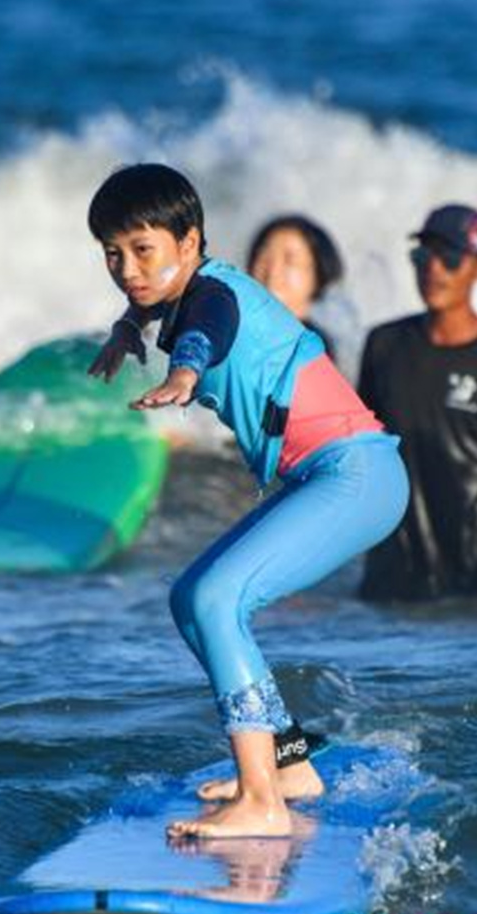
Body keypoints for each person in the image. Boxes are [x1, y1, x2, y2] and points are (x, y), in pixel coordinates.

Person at [87, 163, 409, 839]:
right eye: (113, 254)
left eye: (142, 250)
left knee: (215, 601)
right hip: (322, 478)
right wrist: (125, 329)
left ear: (191, 240)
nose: (127, 269)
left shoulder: (214, 296)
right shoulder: (170, 292)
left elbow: (207, 331)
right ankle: (287, 761)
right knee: (191, 598)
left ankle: (261, 801)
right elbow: (151, 305)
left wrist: (182, 373)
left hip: (355, 475)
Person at [358, 204, 477, 611]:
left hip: (471, 591)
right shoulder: (383, 347)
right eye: (423, 257)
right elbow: (354, 461)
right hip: (386, 589)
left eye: (450, 258)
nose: (434, 271)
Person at [246, 215, 344, 359]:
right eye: (264, 258)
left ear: (318, 275)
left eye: (290, 260)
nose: (273, 271)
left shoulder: (313, 350)